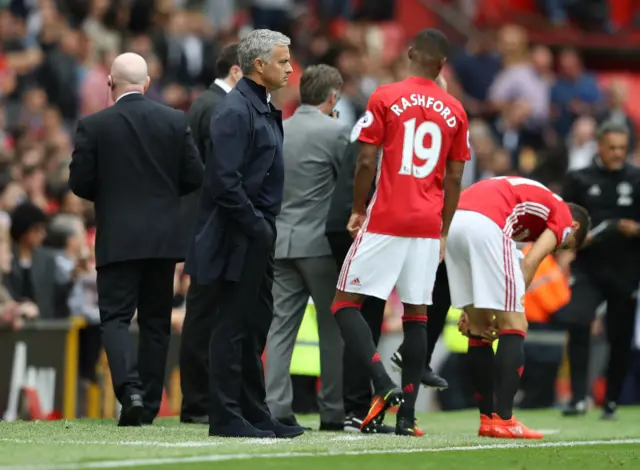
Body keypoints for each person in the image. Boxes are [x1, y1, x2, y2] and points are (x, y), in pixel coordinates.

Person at [330, 29, 469, 436]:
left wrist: (358, 209)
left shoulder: (386, 96)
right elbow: (456, 175)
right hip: (427, 224)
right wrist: (443, 229)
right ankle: (407, 417)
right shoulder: (455, 110)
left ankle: (382, 382)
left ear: (410, 54)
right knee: (417, 317)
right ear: (443, 65)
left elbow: (366, 159)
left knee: (344, 305)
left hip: (388, 215)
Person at [69, 52, 204, 427]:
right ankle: (147, 399)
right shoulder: (174, 120)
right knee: (157, 321)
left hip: (117, 238)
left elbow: (78, 182)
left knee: (114, 318)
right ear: (146, 84)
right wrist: (161, 193)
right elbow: (195, 176)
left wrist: (112, 195)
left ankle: (128, 392)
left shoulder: (94, 125)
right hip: (162, 239)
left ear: (110, 84)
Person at [184, 29, 304, 439]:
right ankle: (226, 415)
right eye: (284, 61)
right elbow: (224, 183)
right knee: (231, 326)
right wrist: (257, 227)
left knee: (255, 324)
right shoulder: (235, 112)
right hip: (238, 235)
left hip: (257, 231)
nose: (290, 68)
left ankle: (254, 411)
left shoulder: (262, 107)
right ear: (259, 65)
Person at [449, 176, 590, 439]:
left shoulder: (529, 213)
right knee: (515, 324)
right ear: (575, 226)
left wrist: (476, 312)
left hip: (454, 222)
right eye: (566, 244)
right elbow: (529, 264)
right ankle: (504, 419)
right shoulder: (562, 216)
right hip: (485, 222)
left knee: (478, 330)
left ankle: (487, 419)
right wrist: (507, 309)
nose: (559, 246)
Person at [265, 64, 348, 431]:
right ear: (332, 97)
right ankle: (332, 411)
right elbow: (347, 186)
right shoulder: (336, 131)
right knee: (333, 329)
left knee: (281, 328)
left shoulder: (278, 128)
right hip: (319, 246)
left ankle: (275, 407)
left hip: (281, 241)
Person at [179, 43, 242, 425]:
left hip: (202, 222)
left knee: (205, 311)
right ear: (236, 71)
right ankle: (199, 401)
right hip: (212, 224)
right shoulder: (219, 106)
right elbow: (220, 174)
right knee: (205, 313)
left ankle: (200, 400)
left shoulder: (203, 103)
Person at [560, 121, 640, 419]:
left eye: (622, 148)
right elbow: (564, 221)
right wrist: (579, 239)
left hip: (627, 271)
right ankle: (578, 397)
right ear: (599, 146)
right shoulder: (579, 179)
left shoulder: (637, 178)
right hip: (589, 268)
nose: (618, 153)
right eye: (612, 148)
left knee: (619, 337)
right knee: (578, 320)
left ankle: (611, 401)